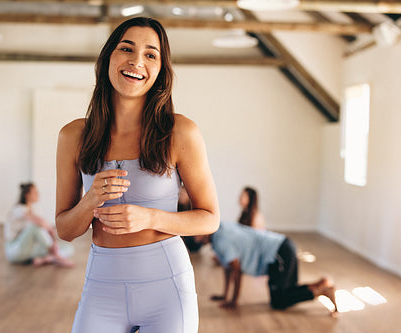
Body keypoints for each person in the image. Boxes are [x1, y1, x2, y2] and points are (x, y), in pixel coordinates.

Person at [55, 17, 219, 333]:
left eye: (150, 54)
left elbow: (210, 218)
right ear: (108, 58)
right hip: (102, 285)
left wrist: (149, 218)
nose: (136, 61)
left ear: (159, 70)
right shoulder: (73, 136)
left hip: (167, 288)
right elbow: (64, 228)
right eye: (126, 48)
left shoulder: (180, 132)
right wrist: (90, 201)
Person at [195, 222, 338, 316]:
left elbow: (236, 270)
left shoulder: (221, 240)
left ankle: (323, 291)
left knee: (278, 301)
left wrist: (234, 301)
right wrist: (224, 295)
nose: (195, 237)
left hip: (278, 253)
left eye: (195, 234)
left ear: (203, 232)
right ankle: (320, 284)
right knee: (287, 291)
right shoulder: (218, 229)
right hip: (283, 247)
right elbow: (227, 267)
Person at [4, 183, 74, 267]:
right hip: (15, 250)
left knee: (68, 248)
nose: (38, 194)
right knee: (34, 227)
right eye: (34, 192)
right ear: (27, 195)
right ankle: (57, 257)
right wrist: (50, 230)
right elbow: (38, 221)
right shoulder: (18, 209)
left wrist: (51, 237)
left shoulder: (33, 209)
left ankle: (47, 259)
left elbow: (42, 223)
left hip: (29, 248)